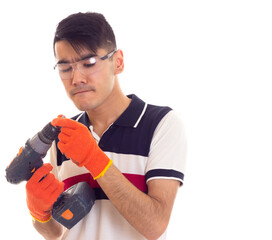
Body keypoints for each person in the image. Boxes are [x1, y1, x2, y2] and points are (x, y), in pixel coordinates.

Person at [25, 12, 187, 240]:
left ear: (117, 62)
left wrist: (94, 158)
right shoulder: (63, 136)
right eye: (65, 68)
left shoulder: (161, 124)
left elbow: (155, 225)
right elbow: (59, 231)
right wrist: (39, 215)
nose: (76, 78)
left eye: (88, 63)